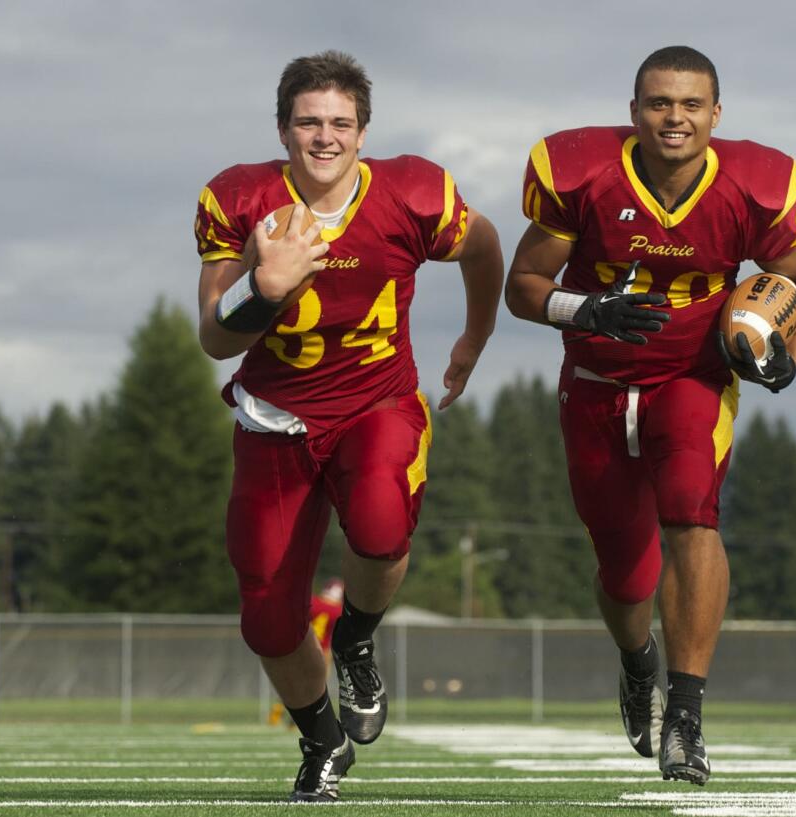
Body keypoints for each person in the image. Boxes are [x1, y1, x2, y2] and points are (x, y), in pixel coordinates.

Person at [504, 45, 796, 785]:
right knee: (624, 571)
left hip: (692, 376)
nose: (674, 118)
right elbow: (523, 285)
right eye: (659, 103)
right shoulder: (583, 174)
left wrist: (793, 351)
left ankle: (685, 715)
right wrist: (584, 307)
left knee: (692, 515)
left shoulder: (752, 186)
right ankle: (636, 659)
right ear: (634, 112)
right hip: (595, 377)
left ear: (716, 114)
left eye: (690, 105)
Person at [193, 51, 503, 802]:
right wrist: (265, 289)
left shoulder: (413, 192)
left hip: (377, 403)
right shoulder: (240, 199)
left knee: (379, 521)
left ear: (363, 132)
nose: (324, 136)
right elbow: (213, 334)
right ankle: (321, 738)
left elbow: (486, 246)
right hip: (275, 419)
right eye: (308, 121)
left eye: (339, 122)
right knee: (267, 618)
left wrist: (474, 336)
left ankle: (357, 637)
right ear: (282, 129)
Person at [267, 578, 344, 728]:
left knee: (291, 683)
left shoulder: (313, 602)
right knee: (315, 688)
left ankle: (278, 711)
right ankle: (299, 721)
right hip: (322, 651)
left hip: (302, 646)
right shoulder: (338, 611)